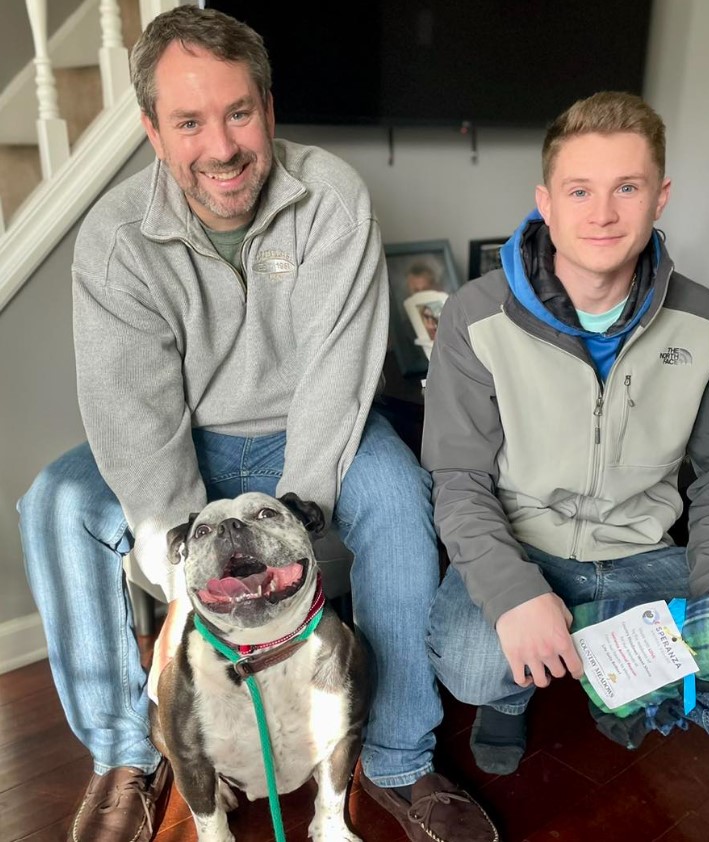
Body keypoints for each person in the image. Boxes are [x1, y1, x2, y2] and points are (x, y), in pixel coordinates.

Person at [16, 7, 496, 842]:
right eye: (190, 122)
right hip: (184, 432)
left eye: (239, 112)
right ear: (153, 134)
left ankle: (396, 755)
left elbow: (337, 377)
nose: (223, 146)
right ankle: (128, 759)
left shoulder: (334, 199)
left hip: (309, 426)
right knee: (57, 505)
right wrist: (185, 563)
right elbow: (135, 415)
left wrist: (291, 524)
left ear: (268, 110)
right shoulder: (114, 238)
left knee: (396, 494)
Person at [421, 91, 709, 777]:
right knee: (475, 667)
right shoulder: (474, 316)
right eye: (580, 190)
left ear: (661, 197)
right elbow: (458, 478)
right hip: (525, 543)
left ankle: (616, 674)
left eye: (627, 187)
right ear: (546, 200)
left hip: (644, 553)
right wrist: (513, 595)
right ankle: (528, 687)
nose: (603, 213)